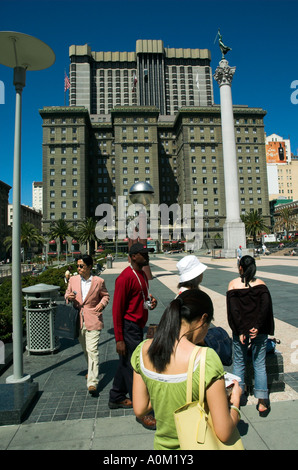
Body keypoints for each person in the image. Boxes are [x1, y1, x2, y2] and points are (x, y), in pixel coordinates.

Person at [131, 289, 242, 450]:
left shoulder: (142, 351)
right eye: (208, 325)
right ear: (203, 319)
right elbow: (223, 432)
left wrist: (162, 390)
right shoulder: (205, 359)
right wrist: (235, 403)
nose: (205, 334)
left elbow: (140, 409)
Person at [109, 242, 157, 430]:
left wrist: (150, 302)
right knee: (135, 368)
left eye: (148, 253)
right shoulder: (124, 278)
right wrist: (119, 339)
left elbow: (142, 299)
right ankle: (143, 411)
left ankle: (116, 397)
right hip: (129, 328)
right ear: (134, 256)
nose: (147, 256)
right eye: (144, 254)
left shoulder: (142, 275)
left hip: (138, 326)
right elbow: (117, 310)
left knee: (125, 363)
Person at [227, 255, 274, 415]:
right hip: (258, 331)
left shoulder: (233, 284)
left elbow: (233, 311)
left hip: (240, 332)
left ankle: (237, 399)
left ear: (240, 267)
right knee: (259, 364)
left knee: (239, 363)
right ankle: (262, 401)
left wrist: (241, 330)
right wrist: (257, 327)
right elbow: (265, 309)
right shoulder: (261, 285)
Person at [65, 254, 110, 395]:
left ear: (89, 267)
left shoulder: (99, 281)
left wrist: (102, 304)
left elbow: (105, 295)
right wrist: (68, 297)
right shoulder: (72, 280)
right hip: (78, 320)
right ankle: (91, 370)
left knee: (92, 350)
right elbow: (66, 294)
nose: (78, 268)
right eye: (77, 266)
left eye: (81, 266)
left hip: (93, 319)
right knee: (85, 349)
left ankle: (92, 382)